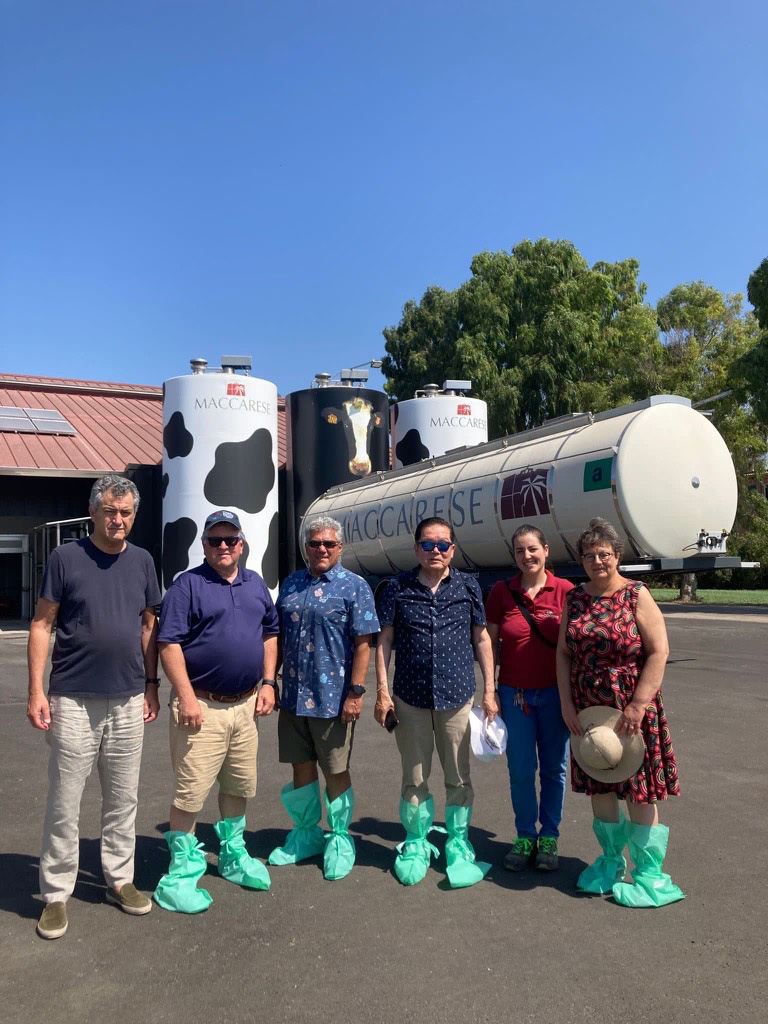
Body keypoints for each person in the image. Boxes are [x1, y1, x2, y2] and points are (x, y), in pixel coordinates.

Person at [27, 474, 161, 940]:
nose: (117, 520)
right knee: (65, 802)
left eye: (125, 513)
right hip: (72, 699)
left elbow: (149, 627)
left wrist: (152, 685)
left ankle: (119, 879)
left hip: (128, 698)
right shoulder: (66, 558)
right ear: (93, 512)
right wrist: (36, 690)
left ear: (134, 516)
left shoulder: (143, 561)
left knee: (123, 799)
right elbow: (42, 624)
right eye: (109, 511)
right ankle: (56, 893)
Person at [154, 510, 279, 913]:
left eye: (230, 539)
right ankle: (181, 874)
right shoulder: (187, 586)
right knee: (190, 793)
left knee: (239, 786)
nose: (223, 546)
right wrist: (186, 696)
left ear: (242, 544)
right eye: (215, 540)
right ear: (204, 545)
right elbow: (168, 643)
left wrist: (269, 682)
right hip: (201, 708)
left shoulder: (255, 583)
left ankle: (233, 855)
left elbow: (270, 632)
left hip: (245, 707)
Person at [556, 517, 684, 908]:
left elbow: (659, 651)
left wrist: (638, 704)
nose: (597, 561)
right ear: (581, 559)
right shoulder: (575, 599)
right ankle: (610, 863)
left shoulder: (636, 594)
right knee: (601, 783)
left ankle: (649, 876)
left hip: (632, 707)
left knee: (639, 790)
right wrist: (567, 704)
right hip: (588, 709)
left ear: (617, 555)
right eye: (589, 555)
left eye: (604, 554)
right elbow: (563, 653)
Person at [375, 517, 497, 888]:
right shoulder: (397, 587)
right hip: (409, 697)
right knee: (414, 777)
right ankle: (415, 841)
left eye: (443, 544)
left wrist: (490, 690)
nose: (436, 551)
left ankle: (458, 841)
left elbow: (482, 639)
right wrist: (382, 692)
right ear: (416, 549)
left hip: (457, 696)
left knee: (458, 777)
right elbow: (384, 641)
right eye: (428, 544)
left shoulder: (468, 586)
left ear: (453, 550)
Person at [269, 515, 378, 881]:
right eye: (315, 543)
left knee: (335, 769)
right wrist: (270, 682)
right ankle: (306, 834)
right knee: (300, 766)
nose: (321, 549)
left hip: (333, 700)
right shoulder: (292, 584)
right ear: (306, 547)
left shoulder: (355, 586)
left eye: (329, 543)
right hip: (293, 697)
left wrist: (356, 693)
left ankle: (340, 838)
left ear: (340, 547)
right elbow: (278, 637)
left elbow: (363, 644)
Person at [485, 525, 574, 872]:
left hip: (555, 695)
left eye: (533, 548)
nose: (527, 556)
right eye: (520, 551)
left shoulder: (565, 591)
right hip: (514, 695)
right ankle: (525, 835)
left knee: (554, 769)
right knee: (521, 770)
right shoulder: (501, 592)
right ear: (514, 556)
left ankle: (549, 836)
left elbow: (576, 646)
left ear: (546, 550)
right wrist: (489, 689)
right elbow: (489, 645)